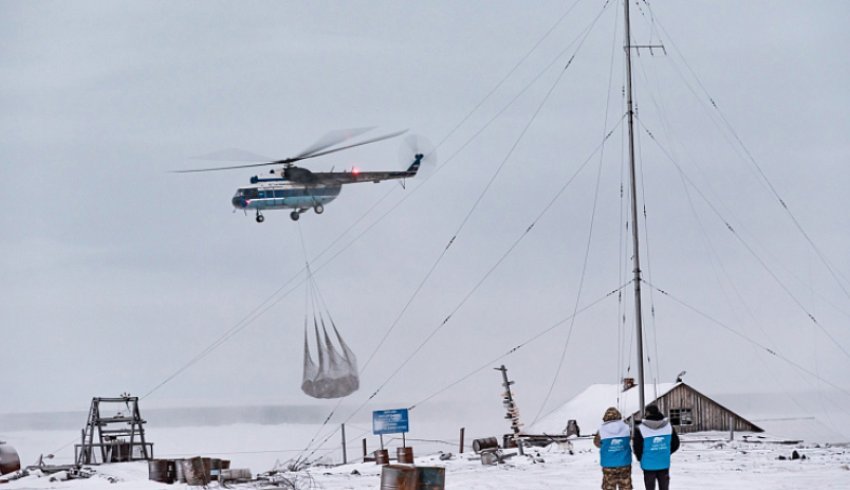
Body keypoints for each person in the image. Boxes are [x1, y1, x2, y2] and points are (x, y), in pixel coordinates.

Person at [633, 404, 680, 490]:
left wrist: (641, 458)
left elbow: (637, 447)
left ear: (647, 413)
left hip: (648, 464)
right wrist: (666, 453)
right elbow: (676, 444)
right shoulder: (669, 427)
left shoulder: (640, 428)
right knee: (664, 487)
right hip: (664, 463)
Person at [594, 407, 633, 490]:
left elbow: (596, 443)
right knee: (625, 486)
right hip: (624, 462)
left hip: (608, 464)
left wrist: (607, 446)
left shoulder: (601, 430)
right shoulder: (626, 428)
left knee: (609, 486)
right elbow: (630, 439)